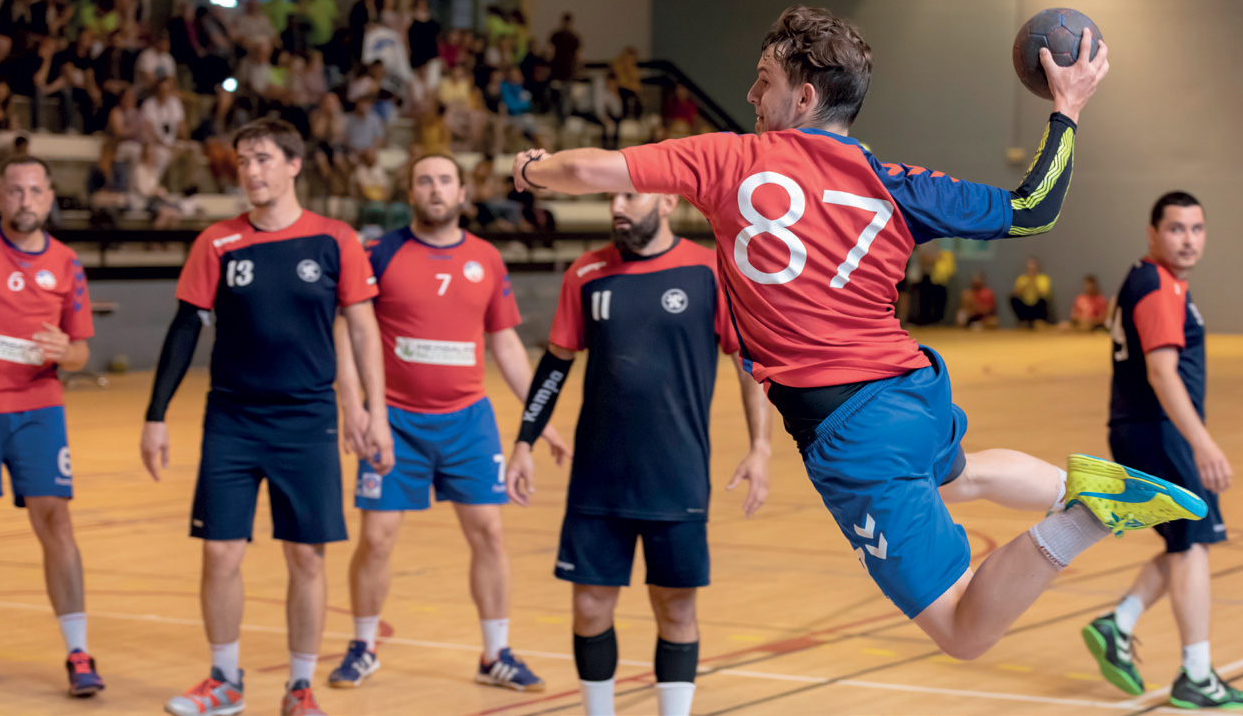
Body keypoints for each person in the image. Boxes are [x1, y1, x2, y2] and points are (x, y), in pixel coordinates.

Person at [506, 5, 1209, 666]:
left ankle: (1084, 515)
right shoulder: (896, 182)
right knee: (954, 476)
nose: (751, 96)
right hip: (912, 390)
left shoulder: (724, 160)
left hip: (849, 431)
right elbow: (1032, 209)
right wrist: (1068, 109)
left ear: (804, 98)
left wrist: (532, 169)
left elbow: (588, 168)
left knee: (963, 631)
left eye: (763, 82)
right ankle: (1079, 485)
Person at [141, 118, 391, 716]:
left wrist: (374, 412)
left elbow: (362, 328)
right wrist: (155, 414)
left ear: (293, 164)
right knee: (220, 553)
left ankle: (299, 687)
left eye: (263, 159)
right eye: (243, 161)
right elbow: (184, 330)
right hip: (230, 418)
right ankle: (224, 681)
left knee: (305, 555)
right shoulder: (217, 242)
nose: (251, 171)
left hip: (306, 420)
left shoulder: (335, 240)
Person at [508, 189, 772, 716]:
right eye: (612, 197)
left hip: (676, 475)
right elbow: (555, 364)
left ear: (668, 202)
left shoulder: (709, 272)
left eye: (630, 195)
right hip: (597, 477)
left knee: (675, 606)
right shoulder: (585, 274)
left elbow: (748, 362)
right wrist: (524, 441)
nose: (617, 207)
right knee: (589, 606)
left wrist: (759, 446)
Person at [326, 153, 568, 692]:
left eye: (444, 181)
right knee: (379, 538)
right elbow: (348, 329)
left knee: (489, 532)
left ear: (462, 193)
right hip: (395, 422)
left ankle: (495, 654)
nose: (435, 189)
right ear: (410, 192)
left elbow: (505, 342)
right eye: (424, 181)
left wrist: (538, 414)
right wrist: (355, 405)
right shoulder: (379, 253)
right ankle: (363, 645)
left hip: (467, 422)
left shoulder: (486, 258)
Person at [1082, 192, 1243, 709]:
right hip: (1159, 432)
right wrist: (1201, 443)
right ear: (1152, 233)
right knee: (1191, 546)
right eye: (1177, 229)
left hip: (1149, 431)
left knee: (1186, 543)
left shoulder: (1160, 281)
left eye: (1197, 229)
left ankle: (1119, 624)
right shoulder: (1156, 286)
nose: (1188, 239)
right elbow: (1161, 372)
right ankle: (1196, 676)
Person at [0, 157, 106, 697]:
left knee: (56, 525)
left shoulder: (67, 263)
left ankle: (78, 652)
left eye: (35, 191)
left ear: (51, 198)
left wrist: (66, 350)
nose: (25, 200)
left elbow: (80, 352)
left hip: (39, 408)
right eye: (15, 191)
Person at [548, 13, 581, 116]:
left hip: (560, 71)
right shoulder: (573, 37)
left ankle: (558, 117)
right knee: (563, 96)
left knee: (559, 96)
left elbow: (550, 52)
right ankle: (561, 117)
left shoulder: (557, 35)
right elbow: (578, 56)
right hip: (563, 71)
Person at [1011, 256, 1052, 328]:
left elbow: (1044, 294)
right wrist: (1026, 283)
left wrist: (1034, 280)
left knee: (1043, 300)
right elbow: (1016, 293)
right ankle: (1023, 320)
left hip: (1037, 306)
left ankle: (1038, 320)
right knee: (1013, 299)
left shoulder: (1043, 278)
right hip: (1025, 305)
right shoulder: (1022, 278)